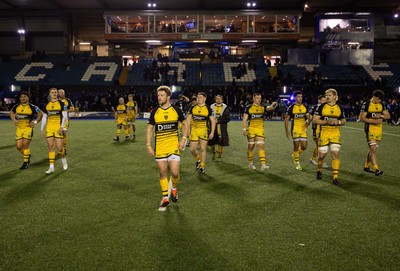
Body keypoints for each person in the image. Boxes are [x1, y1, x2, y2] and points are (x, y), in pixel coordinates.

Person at [146, 86, 188, 210]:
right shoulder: (155, 112)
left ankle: (174, 188)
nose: (159, 97)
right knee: (162, 172)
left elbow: (185, 124)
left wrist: (184, 139)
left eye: (162, 95)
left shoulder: (176, 110)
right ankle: (165, 196)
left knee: (174, 173)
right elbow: (149, 128)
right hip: (160, 147)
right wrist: (148, 145)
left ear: (168, 97)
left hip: (173, 146)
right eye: (158, 95)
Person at [313, 88, 346, 185]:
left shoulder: (339, 108)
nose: (327, 97)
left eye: (329, 95)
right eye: (326, 95)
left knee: (335, 154)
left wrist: (338, 122)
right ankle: (319, 170)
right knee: (322, 156)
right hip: (324, 133)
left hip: (335, 134)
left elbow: (344, 121)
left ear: (335, 97)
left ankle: (335, 177)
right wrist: (326, 121)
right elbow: (315, 120)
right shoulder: (321, 106)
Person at [242, 93, 277, 170]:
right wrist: (244, 129)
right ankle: (250, 163)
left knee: (260, 146)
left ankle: (263, 165)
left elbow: (269, 108)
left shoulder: (263, 107)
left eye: (260, 98)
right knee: (251, 147)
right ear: (254, 98)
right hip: (251, 129)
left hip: (260, 129)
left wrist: (273, 105)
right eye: (257, 98)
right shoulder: (249, 107)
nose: (259, 99)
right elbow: (244, 119)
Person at [360, 90, 390, 176]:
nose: (380, 101)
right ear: (375, 97)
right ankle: (376, 169)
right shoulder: (366, 104)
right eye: (379, 99)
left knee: (372, 150)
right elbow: (362, 118)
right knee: (373, 149)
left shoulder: (381, 104)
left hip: (379, 130)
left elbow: (388, 116)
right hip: (370, 129)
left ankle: (367, 166)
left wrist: (381, 116)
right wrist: (373, 121)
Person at [10, 91, 43, 169]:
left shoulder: (33, 107)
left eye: (25, 96)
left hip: (28, 128)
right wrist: (14, 120)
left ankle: (25, 163)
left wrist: (35, 122)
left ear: (28, 98)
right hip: (19, 129)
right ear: (20, 98)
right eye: (22, 97)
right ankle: (27, 155)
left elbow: (40, 114)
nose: (23, 98)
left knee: (25, 145)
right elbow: (11, 112)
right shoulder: (16, 106)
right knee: (18, 147)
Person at [186, 92, 216, 174]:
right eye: (198, 97)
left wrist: (212, 132)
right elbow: (188, 120)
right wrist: (188, 130)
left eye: (200, 97)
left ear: (205, 98)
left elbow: (213, 121)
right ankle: (198, 160)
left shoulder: (209, 109)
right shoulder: (193, 108)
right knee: (192, 149)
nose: (199, 99)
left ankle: (202, 166)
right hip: (194, 131)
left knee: (203, 149)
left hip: (204, 130)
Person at [40, 88, 68, 174]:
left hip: (58, 128)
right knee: (51, 147)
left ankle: (64, 160)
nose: (54, 94)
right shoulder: (46, 104)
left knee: (60, 148)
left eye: (55, 92)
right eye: (52, 92)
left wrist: (62, 127)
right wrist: (41, 129)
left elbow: (65, 116)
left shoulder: (61, 103)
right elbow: (44, 117)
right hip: (49, 129)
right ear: (49, 94)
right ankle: (51, 167)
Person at [284, 91, 311, 170]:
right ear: (295, 98)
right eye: (299, 97)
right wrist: (287, 132)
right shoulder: (291, 107)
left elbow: (308, 117)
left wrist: (308, 122)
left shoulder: (305, 106)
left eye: (301, 97)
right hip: (295, 129)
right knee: (296, 146)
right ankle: (297, 163)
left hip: (303, 130)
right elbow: (286, 120)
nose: (300, 98)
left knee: (304, 147)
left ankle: (296, 154)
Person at [208, 94, 230, 161]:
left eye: (219, 99)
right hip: (212, 127)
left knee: (221, 141)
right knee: (211, 141)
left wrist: (219, 121)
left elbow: (228, 118)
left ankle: (219, 156)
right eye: (217, 99)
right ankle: (214, 153)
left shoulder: (225, 107)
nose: (218, 100)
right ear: (215, 99)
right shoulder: (211, 107)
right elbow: (207, 116)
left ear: (222, 100)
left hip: (221, 127)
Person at [309, 94, 328, 168]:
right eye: (323, 100)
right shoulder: (316, 107)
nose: (324, 102)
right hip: (316, 129)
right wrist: (307, 123)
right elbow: (310, 116)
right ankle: (319, 161)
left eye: (325, 100)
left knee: (320, 145)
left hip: (322, 129)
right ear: (319, 100)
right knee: (320, 145)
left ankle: (313, 159)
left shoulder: (325, 108)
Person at [58, 89, 74, 154]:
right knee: (58, 135)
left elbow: (72, 109)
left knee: (64, 133)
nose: (62, 94)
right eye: (60, 93)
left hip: (65, 119)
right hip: (57, 120)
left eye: (63, 93)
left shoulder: (67, 100)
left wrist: (64, 111)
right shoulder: (55, 101)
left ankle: (64, 149)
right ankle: (60, 149)